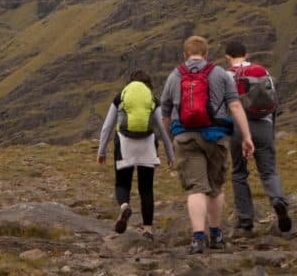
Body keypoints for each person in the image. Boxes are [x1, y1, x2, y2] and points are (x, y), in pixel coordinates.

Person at [160, 35, 255, 254]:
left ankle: (197, 238)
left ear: (185, 55)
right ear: (206, 54)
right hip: (216, 137)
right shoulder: (221, 74)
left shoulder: (175, 75)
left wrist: (167, 143)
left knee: (196, 188)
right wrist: (247, 136)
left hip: (185, 137)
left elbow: (165, 114)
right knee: (215, 188)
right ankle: (216, 234)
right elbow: (235, 106)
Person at [97, 70, 175, 236]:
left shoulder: (121, 97)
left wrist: (101, 151)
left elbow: (107, 127)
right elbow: (163, 129)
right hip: (147, 145)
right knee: (146, 188)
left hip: (124, 144)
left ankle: (124, 206)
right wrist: (170, 155)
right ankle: (148, 229)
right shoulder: (152, 99)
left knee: (122, 183)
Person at [225, 41, 292, 234]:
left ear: (228, 57)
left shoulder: (226, 75)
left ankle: (245, 220)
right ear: (246, 54)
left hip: (237, 127)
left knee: (239, 173)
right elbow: (274, 101)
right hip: (263, 124)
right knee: (269, 171)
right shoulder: (263, 72)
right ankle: (278, 199)